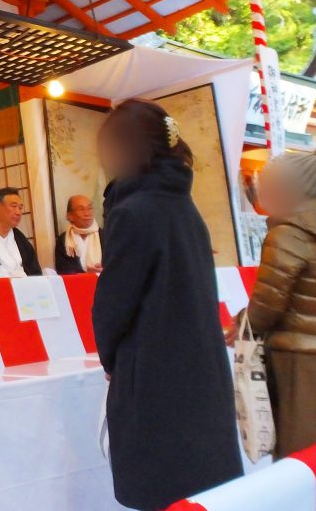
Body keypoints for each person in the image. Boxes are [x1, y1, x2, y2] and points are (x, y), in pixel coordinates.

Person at [93, 99, 241, 511]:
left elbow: (114, 303)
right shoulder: (183, 206)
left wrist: (111, 360)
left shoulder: (134, 211)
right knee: (200, 490)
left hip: (155, 375)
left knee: (160, 490)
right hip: (199, 374)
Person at [227, 146, 316, 457]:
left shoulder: (288, 232)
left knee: (302, 452)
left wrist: (242, 325)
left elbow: (269, 301)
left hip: (299, 360)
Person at [54, 194, 103, 275]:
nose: (87, 213)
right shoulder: (63, 240)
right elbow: (62, 269)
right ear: (70, 216)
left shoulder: (105, 236)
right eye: (81, 209)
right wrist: (86, 273)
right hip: (76, 285)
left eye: (89, 208)